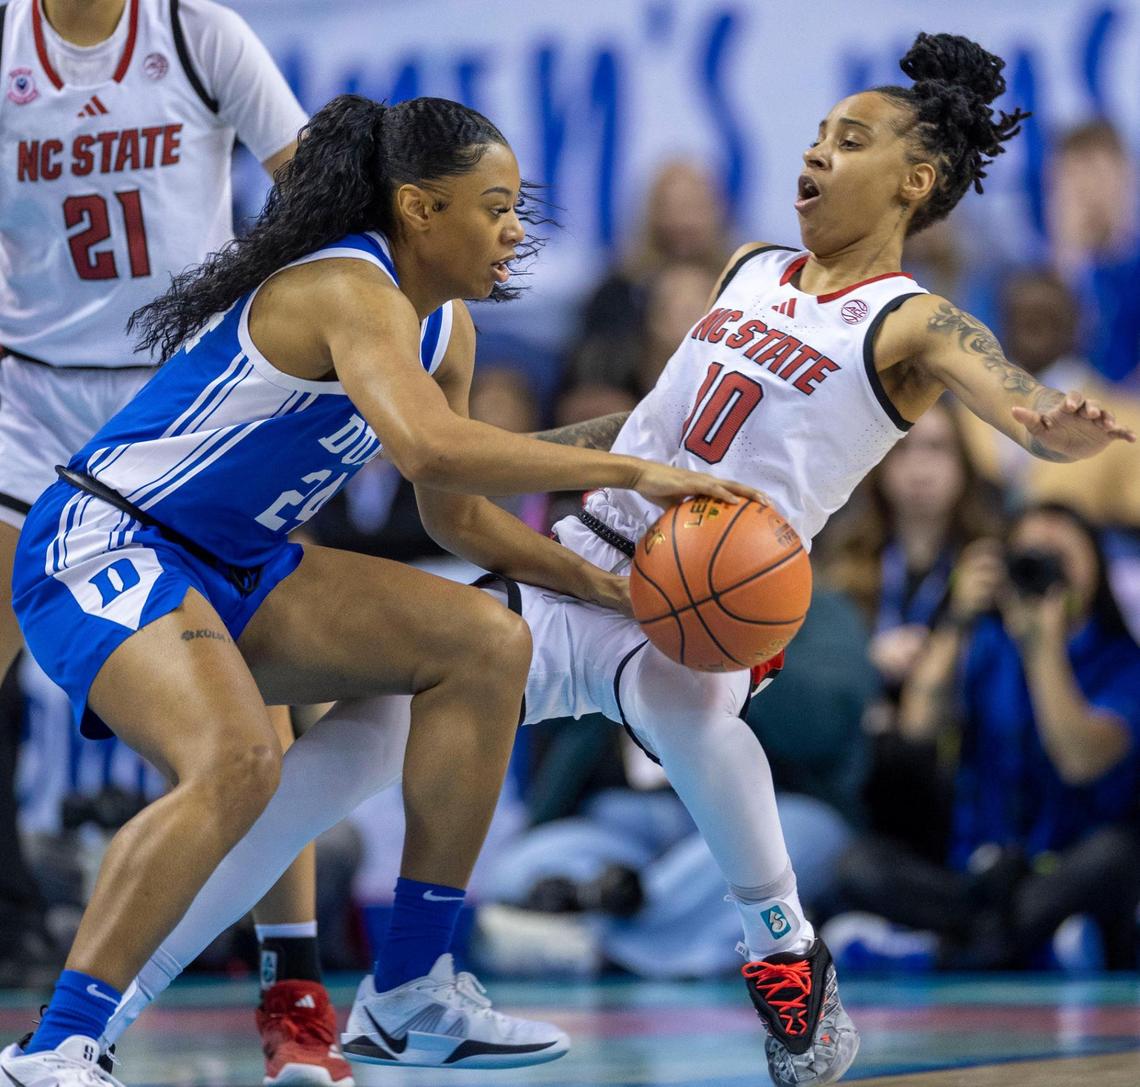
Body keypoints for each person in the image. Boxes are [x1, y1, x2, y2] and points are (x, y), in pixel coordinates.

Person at [90, 32, 1136, 1087]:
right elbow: (642, 430)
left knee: (691, 711)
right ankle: (113, 1004)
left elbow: (1013, 399)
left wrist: (1058, 422)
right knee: (341, 759)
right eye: (817, 135)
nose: (815, 154)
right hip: (581, 560)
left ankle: (782, 955)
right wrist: (507, 459)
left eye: (849, 140)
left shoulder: (911, 319)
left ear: (915, 180)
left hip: (708, 596)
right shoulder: (751, 268)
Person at [0, 93, 755, 1087]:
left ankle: (408, 991)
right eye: (495, 205)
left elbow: (456, 514)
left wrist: (618, 593)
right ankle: (59, 1044)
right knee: (237, 760)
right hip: (107, 545)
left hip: (236, 563)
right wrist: (630, 469)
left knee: (486, 641)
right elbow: (428, 443)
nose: (516, 229)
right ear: (418, 208)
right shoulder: (347, 288)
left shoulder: (448, 333)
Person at [0, 1, 349, 1081]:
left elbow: (317, 192)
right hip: (29, 405)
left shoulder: (199, 33)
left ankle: (292, 988)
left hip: (180, 405)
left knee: (255, 693)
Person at [828, 503, 1140, 972]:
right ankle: (1025, 942)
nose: (1044, 573)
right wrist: (956, 619)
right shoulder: (988, 642)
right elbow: (918, 726)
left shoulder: (1123, 662)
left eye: (1059, 558)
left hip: (1067, 863)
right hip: (976, 874)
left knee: (1115, 857)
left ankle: (945, 949)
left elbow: (1079, 760)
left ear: (1096, 569)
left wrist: (1043, 649)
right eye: (1030, 559)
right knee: (858, 864)